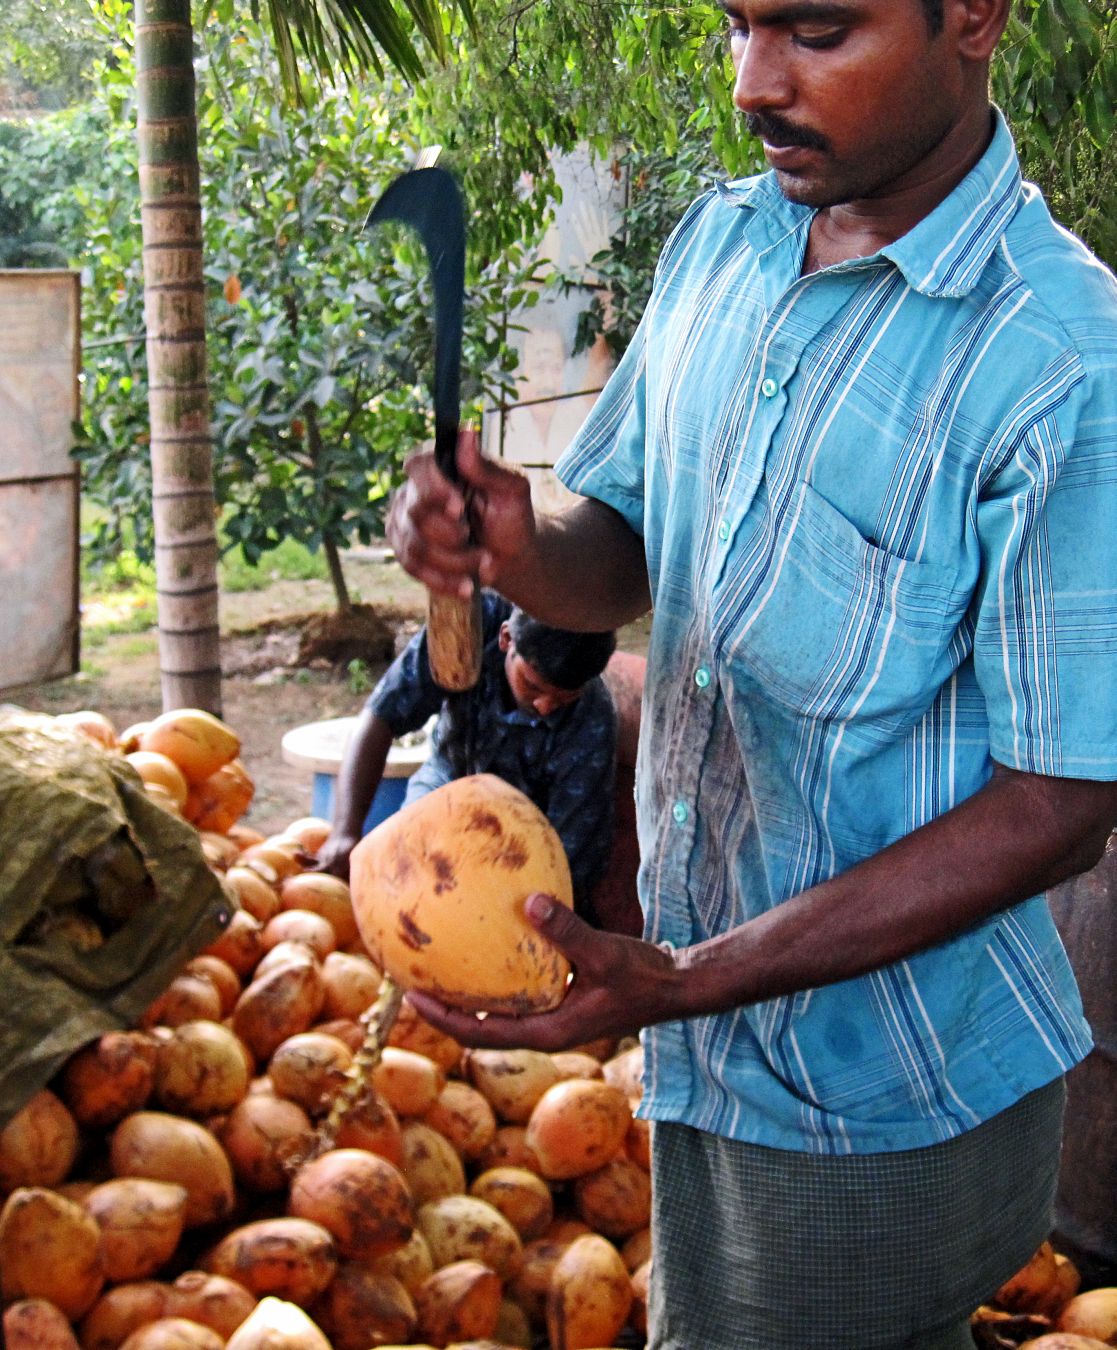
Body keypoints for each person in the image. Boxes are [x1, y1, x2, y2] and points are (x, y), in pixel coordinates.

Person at [383, 1, 1117, 1347]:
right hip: (700, 1034)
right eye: (735, 25)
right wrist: (518, 545)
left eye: (817, 33)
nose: (750, 84)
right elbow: (628, 548)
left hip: (886, 1091)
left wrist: (686, 976)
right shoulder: (723, 245)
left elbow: (1060, 798)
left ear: (973, 16)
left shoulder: (1062, 362)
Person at [316, 590, 618, 920]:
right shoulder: (466, 630)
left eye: (563, 699)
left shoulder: (593, 721)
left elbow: (567, 866)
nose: (544, 707)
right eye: (532, 687)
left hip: (530, 829)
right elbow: (380, 717)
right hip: (449, 777)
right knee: (404, 876)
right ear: (506, 639)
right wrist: (345, 832)